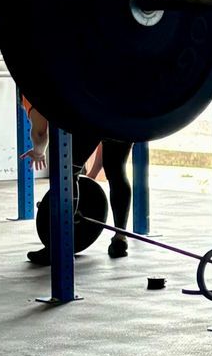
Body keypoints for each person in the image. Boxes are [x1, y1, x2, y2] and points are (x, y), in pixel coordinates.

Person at [24, 109, 134, 263]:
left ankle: (59, 247)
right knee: (117, 172)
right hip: (123, 114)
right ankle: (120, 237)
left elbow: (41, 132)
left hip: (93, 113)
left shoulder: (31, 91)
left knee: (68, 171)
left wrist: (38, 152)